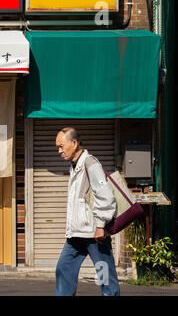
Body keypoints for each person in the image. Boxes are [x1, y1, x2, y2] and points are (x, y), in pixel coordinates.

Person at [54, 127, 120, 296]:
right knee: (63, 269)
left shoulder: (91, 163)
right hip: (76, 234)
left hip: (94, 234)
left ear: (74, 143)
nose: (59, 151)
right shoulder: (75, 165)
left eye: (61, 146)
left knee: (105, 278)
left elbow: (105, 196)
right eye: (57, 147)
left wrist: (100, 225)